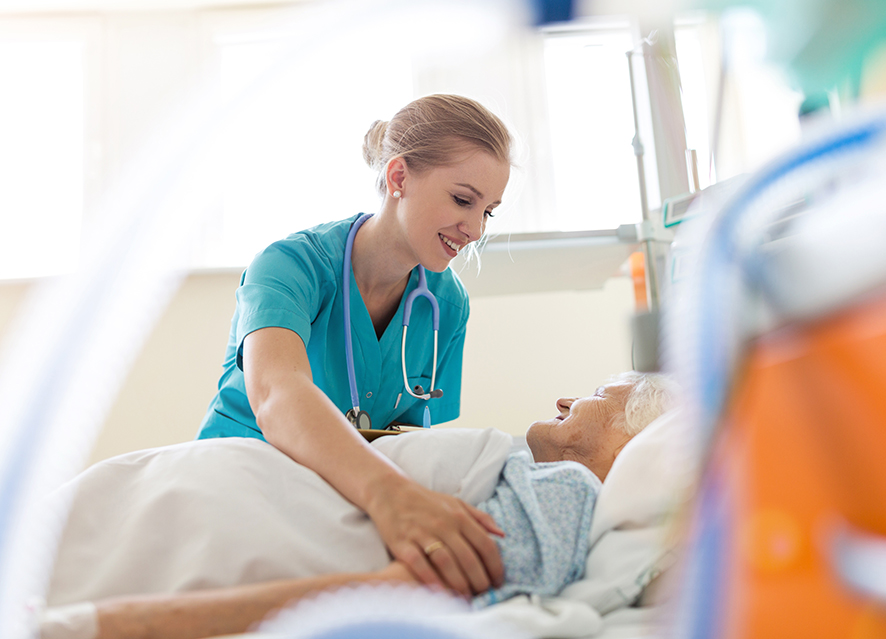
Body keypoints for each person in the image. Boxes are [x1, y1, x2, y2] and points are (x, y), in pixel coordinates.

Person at [42, 372, 674, 639]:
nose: (566, 399)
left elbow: (370, 599)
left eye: (601, 393)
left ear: (639, 440)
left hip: (164, 534)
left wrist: (93, 624)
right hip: (161, 504)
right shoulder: (535, 477)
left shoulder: (566, 496)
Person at [194, 94, 513, 598]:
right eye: (462, 200)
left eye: (488, 212)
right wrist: (390, 497)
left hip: (341, 501)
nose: (474, 231)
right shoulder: (290, 266)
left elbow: (410, 441)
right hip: (239, 481)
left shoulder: (446, 305)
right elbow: (277, 394)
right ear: (399, 177)